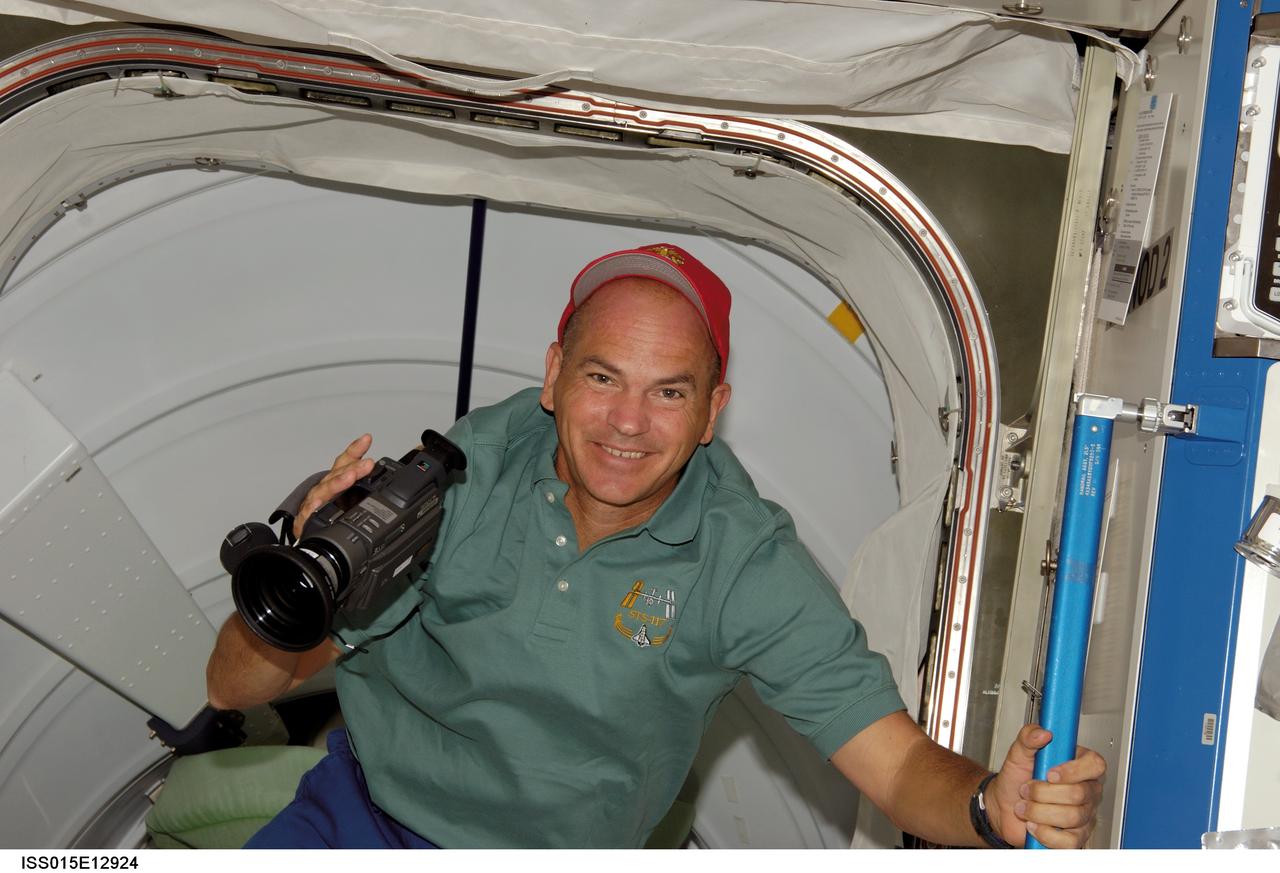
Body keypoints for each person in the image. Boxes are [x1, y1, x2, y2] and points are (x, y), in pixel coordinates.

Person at [207, 242, 1104, 849]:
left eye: (669, 391)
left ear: (713, 412)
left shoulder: (742, 562)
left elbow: (897, 762)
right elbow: (230, 687)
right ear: (554, 375)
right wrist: (306, 571)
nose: (628, 422)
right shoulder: (452, 483)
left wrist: (989, 803)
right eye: (603, 376)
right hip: (363, 818)